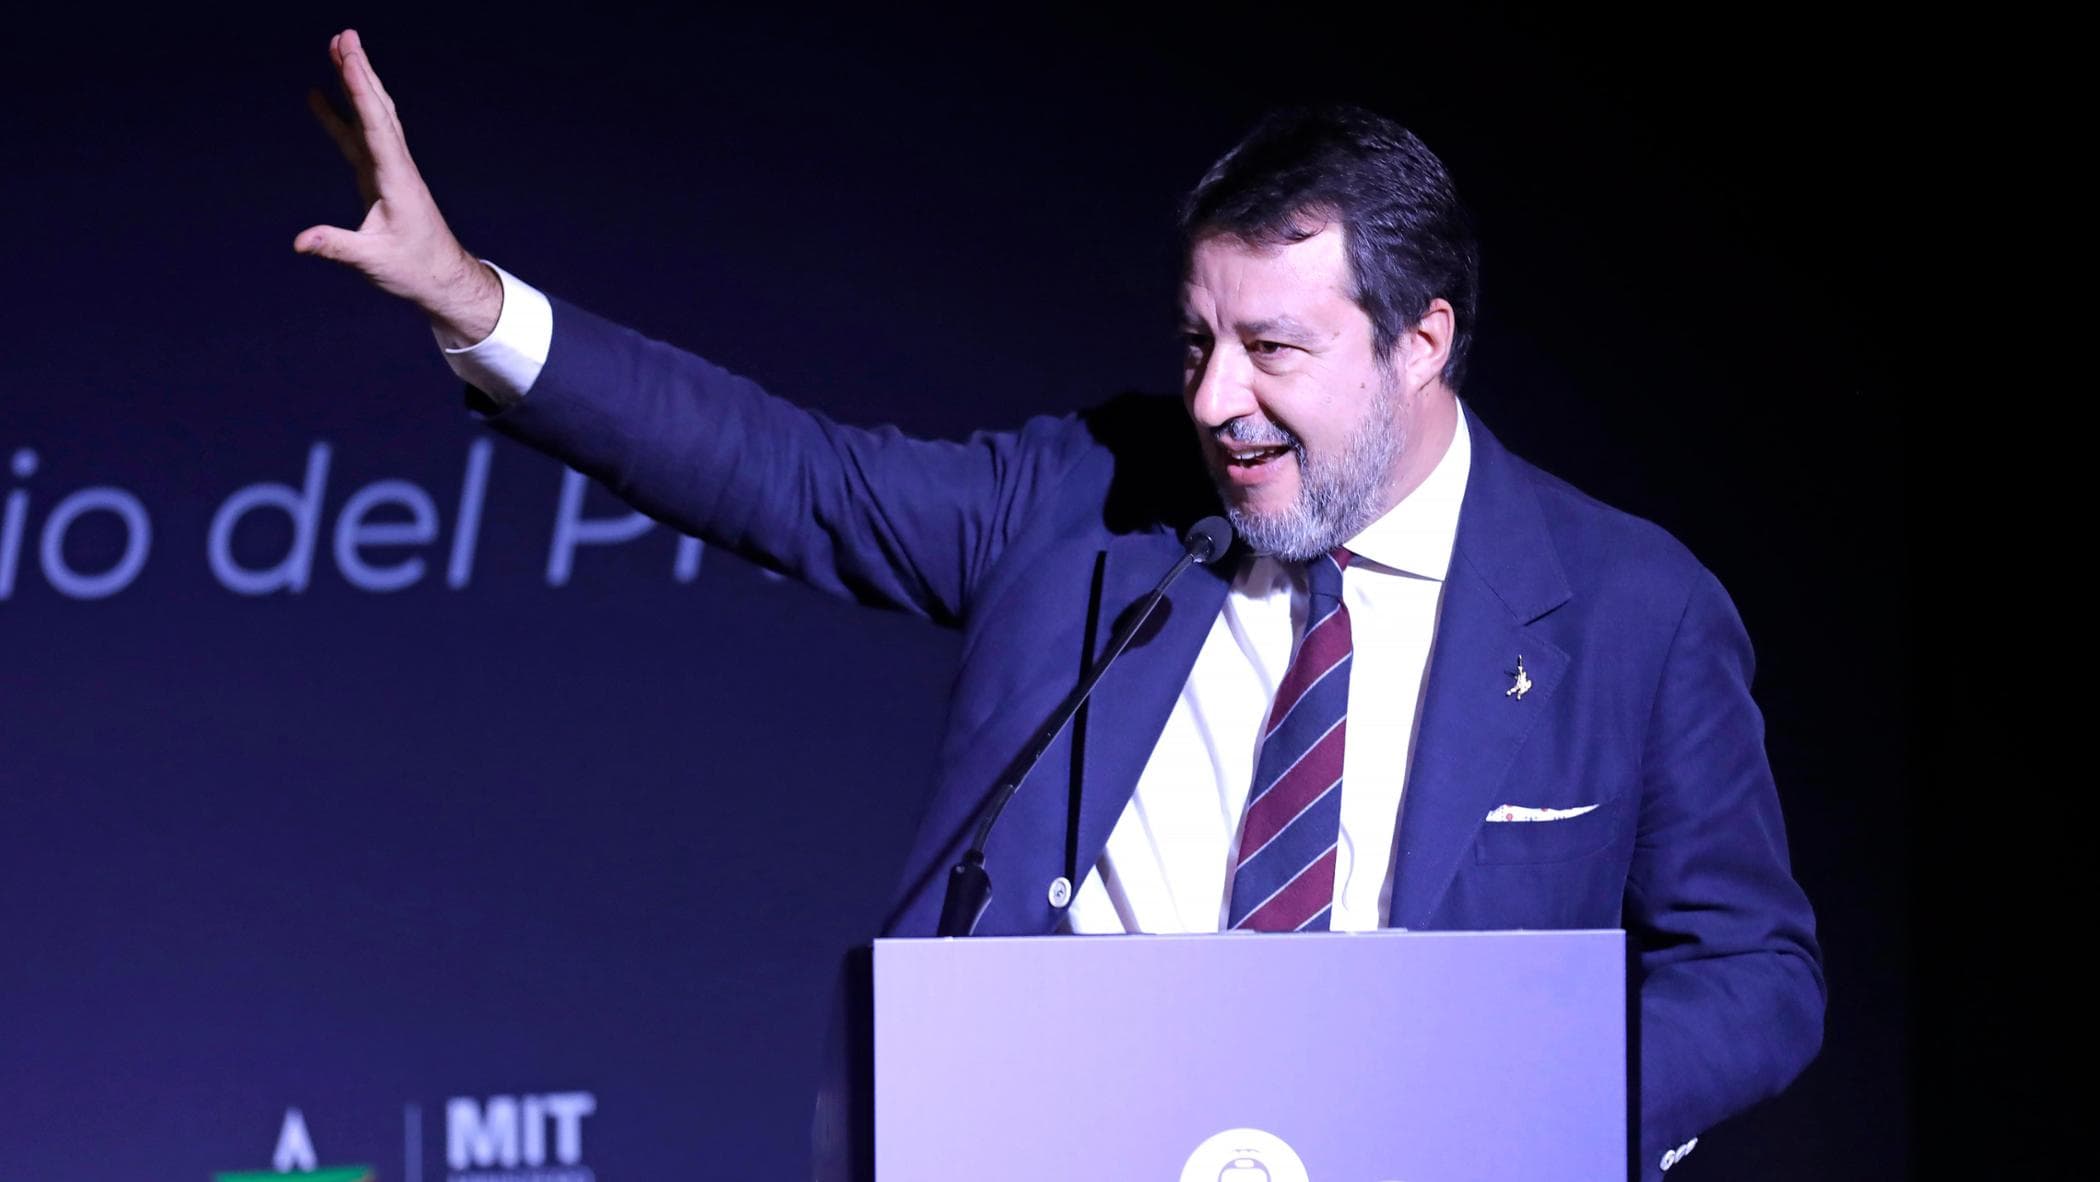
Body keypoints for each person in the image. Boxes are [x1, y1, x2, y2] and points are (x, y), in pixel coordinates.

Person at [297, 28, 1823, 1180]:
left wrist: (1531, 1093)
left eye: (1276, 350)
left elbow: (1755, 972)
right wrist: (473, 304)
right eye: (1198, 342)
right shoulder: (1091, 498)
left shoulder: (1630, 612)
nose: (1215, 400)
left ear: (1422, 341)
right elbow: (796, 478)